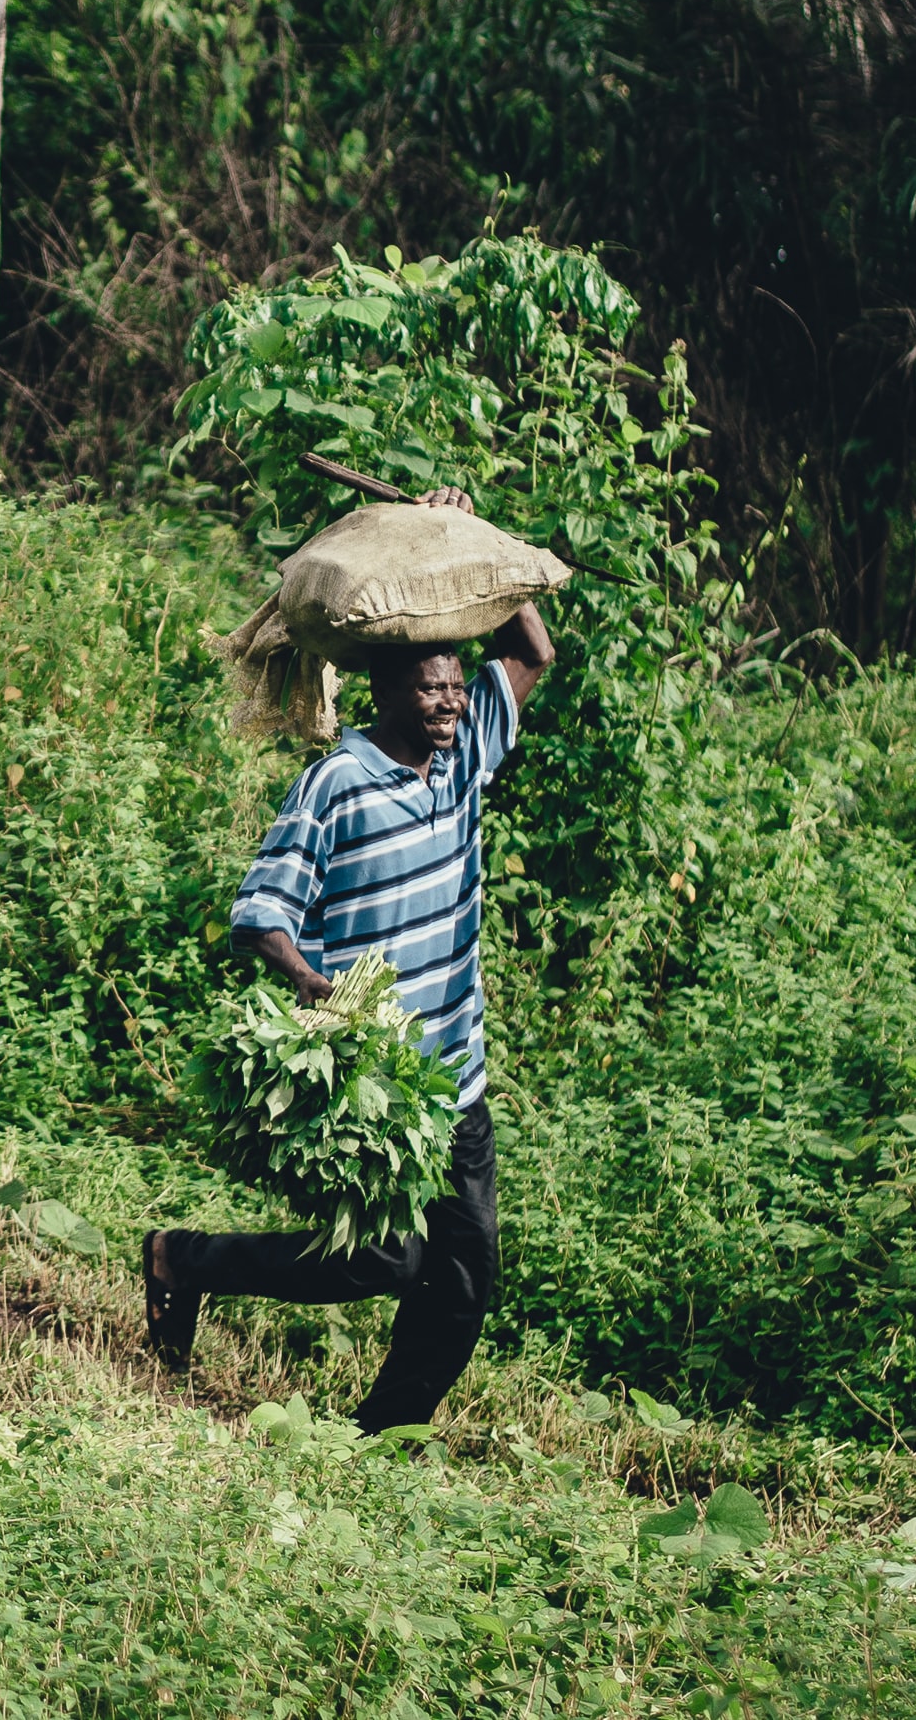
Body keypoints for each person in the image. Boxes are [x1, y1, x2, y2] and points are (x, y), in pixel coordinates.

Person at [141, 486, 560, 1428]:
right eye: (430, 687)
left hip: (456, 1079)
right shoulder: (334, 784)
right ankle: (181, 1260)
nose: (451, 700)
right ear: (386, 693)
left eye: (456, 685)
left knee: (463, 1276)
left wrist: (462, 532)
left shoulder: (463, 759)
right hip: (376, 1086)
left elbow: (528, 649)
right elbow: (260, 917)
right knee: (383, 1261)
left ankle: (381, 1439)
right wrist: (315, 987)